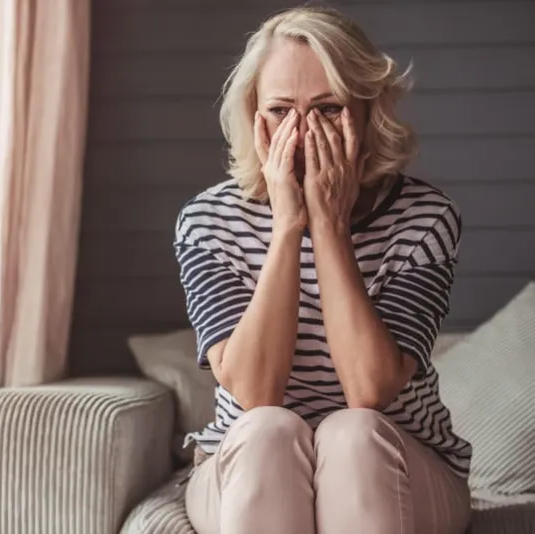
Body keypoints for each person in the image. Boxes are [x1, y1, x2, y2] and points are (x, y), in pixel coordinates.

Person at [174, 6, 472, 534]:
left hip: (398, 462)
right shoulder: (208, 220)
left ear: (367, 112)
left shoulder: (424, 217)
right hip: (247, 462)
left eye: (328, 109)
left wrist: (330, 225)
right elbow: (254, 393)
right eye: (280, 110)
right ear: (254, 117)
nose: (303, 132)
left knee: (353, 434)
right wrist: (289, 226)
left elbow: (369, 390)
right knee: (267, 430)